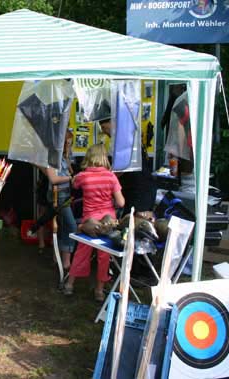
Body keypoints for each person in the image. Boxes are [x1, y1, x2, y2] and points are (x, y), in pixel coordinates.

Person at [64, 143, 125, 302]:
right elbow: (121, 203)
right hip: (107, 223)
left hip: (89, 222)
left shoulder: (83, 176)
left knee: (82, 252)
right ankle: (99, 290)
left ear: (89, 157)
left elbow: (74, 184)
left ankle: (70, 285)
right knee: (104, 255)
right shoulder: (111, 177)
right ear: (104, 157)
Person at [99, 118, 157, 219]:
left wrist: (105, 179)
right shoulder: (124, 137)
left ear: (112, 122)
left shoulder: (123, 140)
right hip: (134, 188)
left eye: (104, 127)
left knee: (134, 223)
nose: (103, 131)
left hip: (140, 190)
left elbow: (120, 169)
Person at [38, 129, 76, 271]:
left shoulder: (64, 155)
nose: (69, 145)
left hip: (65, 193)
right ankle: (63, 259)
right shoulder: (52, 155)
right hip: (57, 194)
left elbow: (70, 171)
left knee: (64, 225)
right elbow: (54, 179)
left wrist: (67, 159)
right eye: (67, 142)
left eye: (70, 143)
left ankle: (61, 259)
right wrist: (71, 178)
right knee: (71, 226)